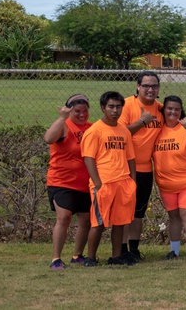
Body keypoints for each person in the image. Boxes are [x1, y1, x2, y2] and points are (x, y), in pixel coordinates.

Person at [80, 91, 136, 267]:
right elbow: (88, 158)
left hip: (123, 182)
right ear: (103, 108)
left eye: (118, 107)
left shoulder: (123, 131)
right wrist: (97, 183)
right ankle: (91, 258)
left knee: (120, 222)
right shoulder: (94, 131)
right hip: (104, 183)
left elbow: (130, 158)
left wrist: (132, 181)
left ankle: (116, 256)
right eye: (111, 107)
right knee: (98, 223)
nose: (115, 110)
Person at [118, 70, 164, 262]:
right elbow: (120, 133)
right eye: (146, 86)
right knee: (124, 210)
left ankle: (134, 249)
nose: (150, 89)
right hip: (125, 167)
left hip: (146, 168)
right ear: (138, 87)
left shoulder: (161, 109)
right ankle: (121, 249)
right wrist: (141, 122)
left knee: (138, 212)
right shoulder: (128, 105)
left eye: (154, 86)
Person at [44, 94, 93, 269]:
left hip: (85, 183)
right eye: (77, 111)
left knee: (86, 220)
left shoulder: (91, 128)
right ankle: (56, 259)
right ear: (69, 111)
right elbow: (49, 138)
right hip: (61, 182)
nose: (81, 115)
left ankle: (77, 255)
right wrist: (62, 118)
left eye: (85, 111)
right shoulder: (64, 126)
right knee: (63, 217)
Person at [153, 96, 186, 261]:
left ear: (181, 111)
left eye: (177, 109)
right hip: (166, 183)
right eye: (169, 108)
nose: (173, 112)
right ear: (164, 110)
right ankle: (174, 251)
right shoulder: (157, 130)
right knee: (174, 216)